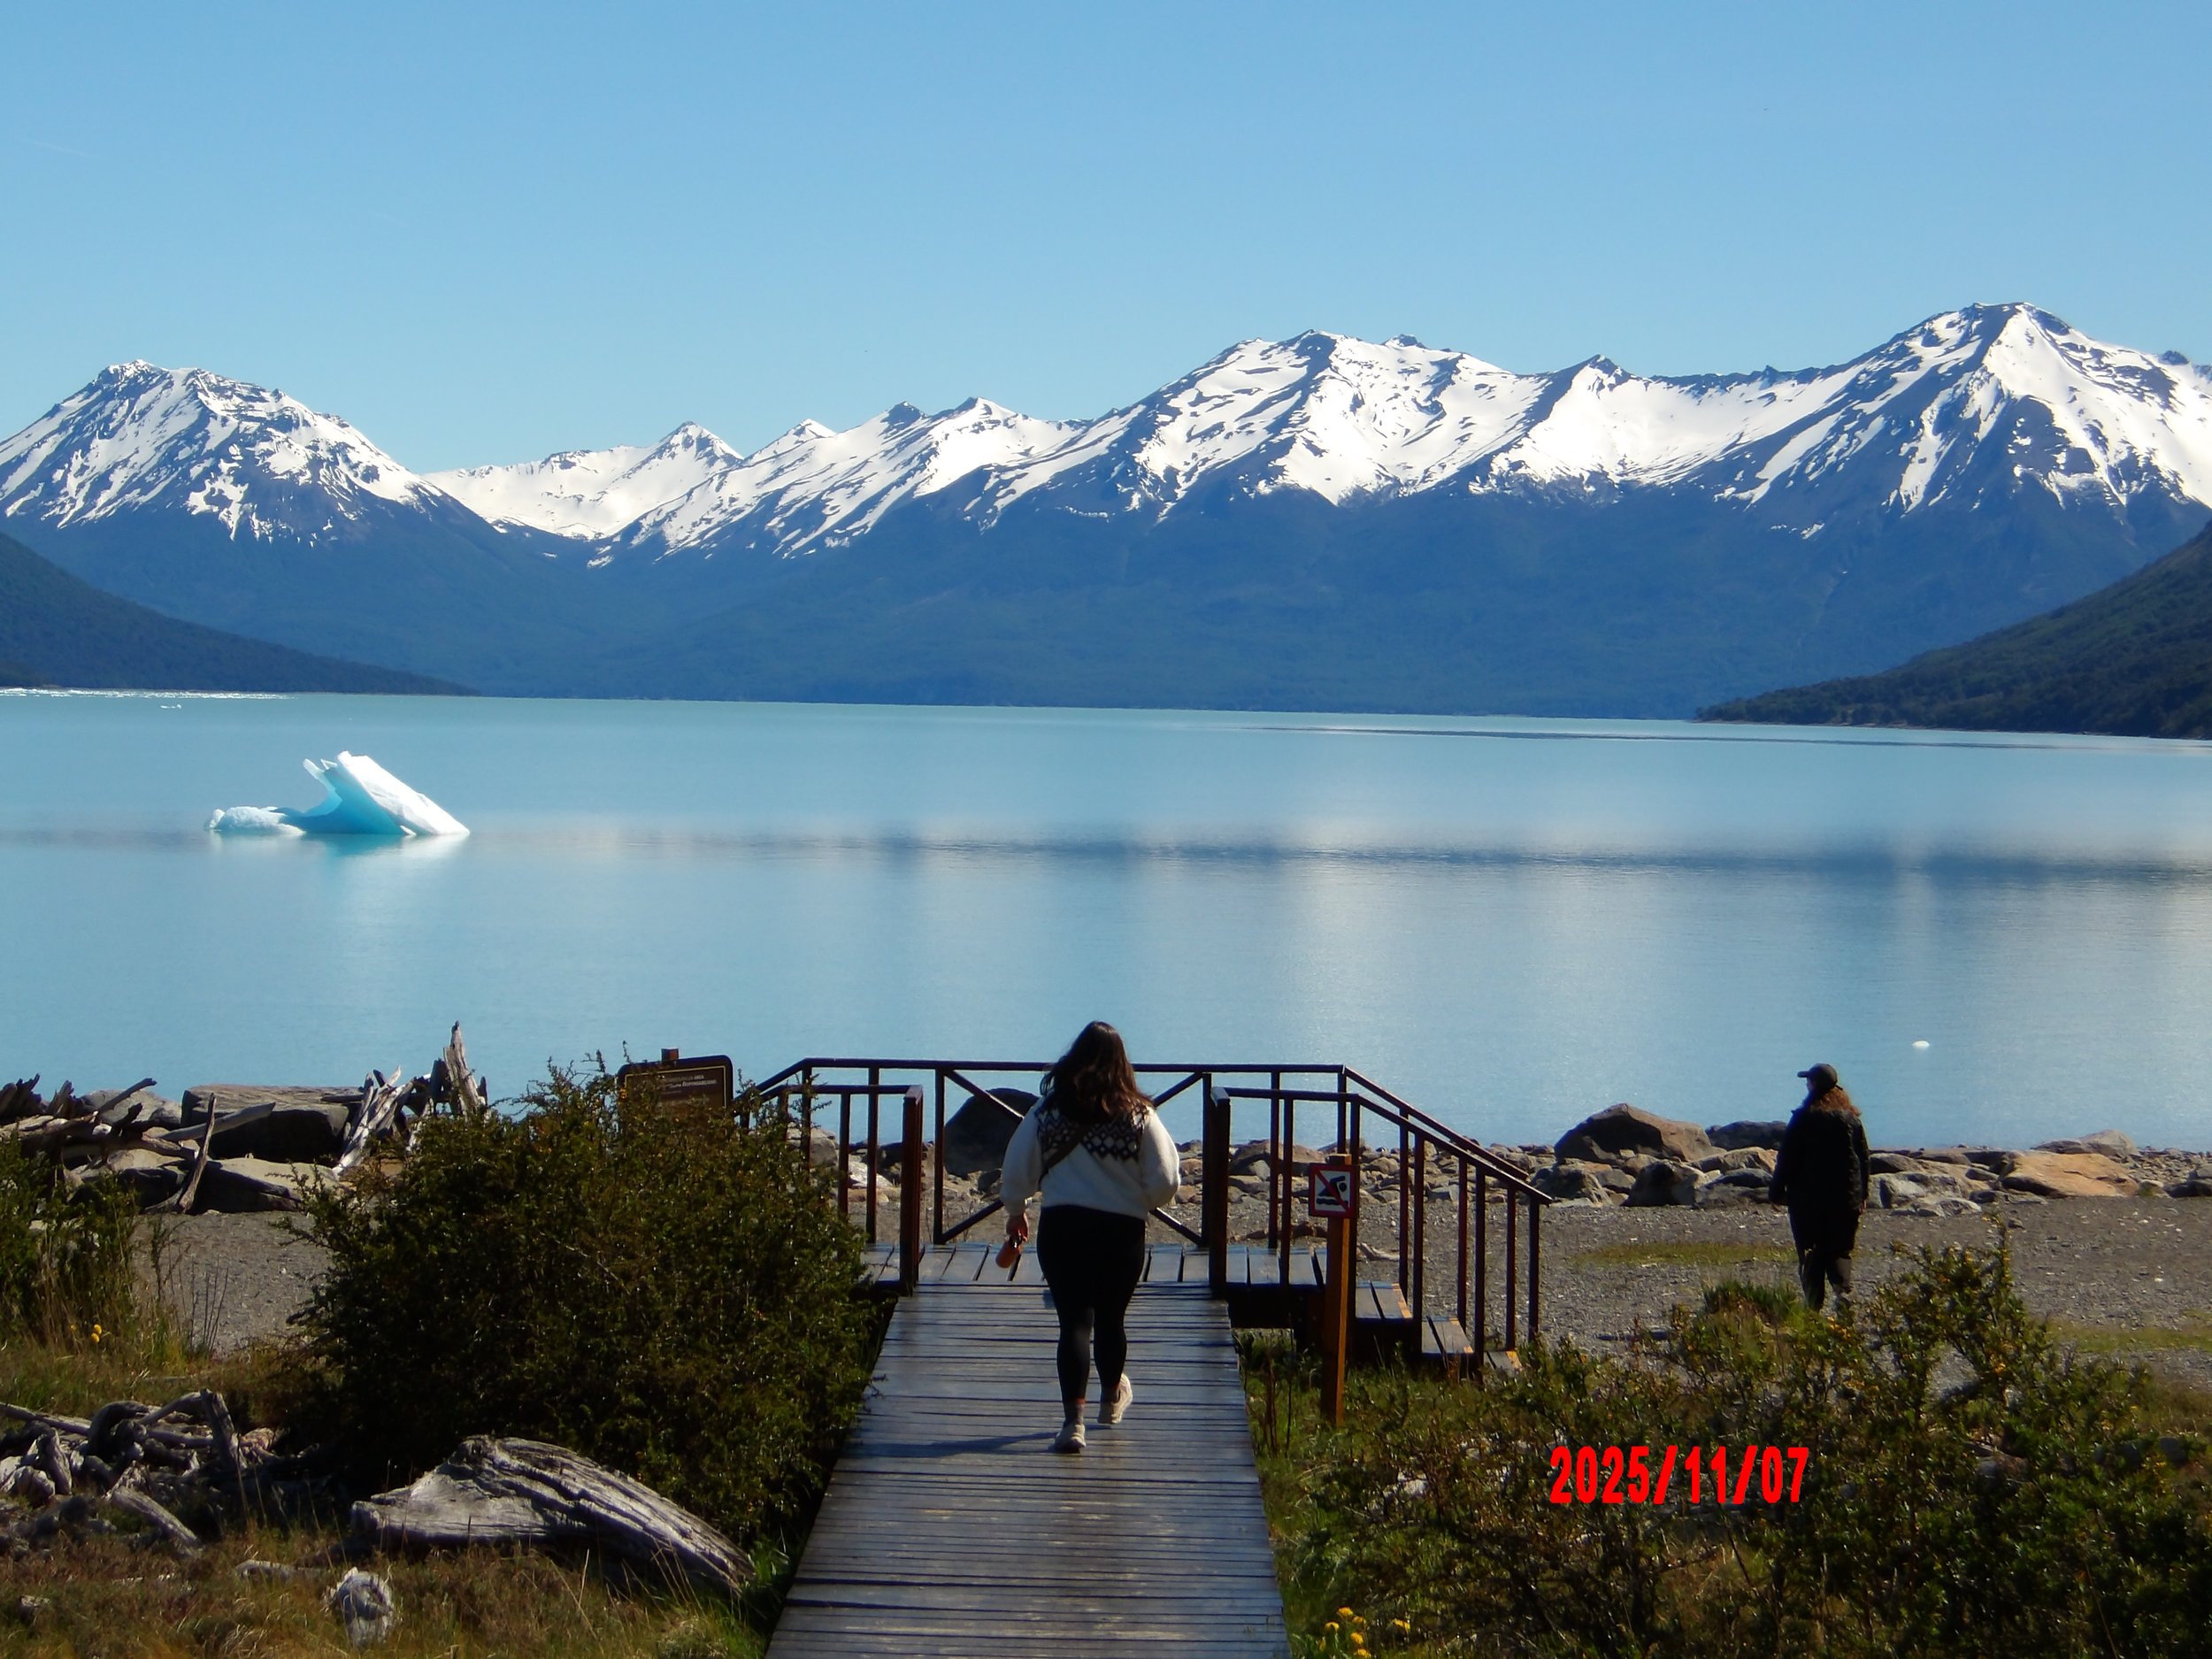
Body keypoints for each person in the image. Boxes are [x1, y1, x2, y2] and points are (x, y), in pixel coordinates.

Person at [1000, 1021, 1180, 1453]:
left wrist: (1016, 1212)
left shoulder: (1049, 1110)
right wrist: (1141, 1199)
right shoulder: (1139, 1115)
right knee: (1112, 1321)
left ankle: (1072, 1423)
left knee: (1074, 1325)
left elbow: (1017, 1168)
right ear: (1122, 1063)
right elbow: (1167, 1178)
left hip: (1063, 1228)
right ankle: (1109, 1402)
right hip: (1120, 1232)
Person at [1768, 1062, 1872, 1310]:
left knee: (1811, 1250)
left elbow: (1787, 1158)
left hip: (1808, 1201)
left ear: (1812, 1085)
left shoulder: (1804, 1119)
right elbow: (1863, 1160)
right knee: (1839, 1250)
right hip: (1846, 1200)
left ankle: (1813, 1307)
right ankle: (1843, 1291)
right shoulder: (1851, 1121)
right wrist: (1863, 1195)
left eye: (1808, 1081)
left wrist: (1776, 1191)